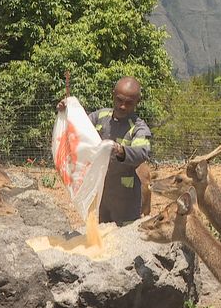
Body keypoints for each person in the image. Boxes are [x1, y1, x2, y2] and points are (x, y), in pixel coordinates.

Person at [57, 76, 152, 225]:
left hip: (126, 199)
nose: (122, 106)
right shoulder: (100, 116)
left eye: (129, 103)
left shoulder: (138, 127)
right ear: (113, 95)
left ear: (137, 102)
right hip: (101, 192)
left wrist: (121, 150)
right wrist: (67, 112)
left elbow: (142, 151)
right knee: (104, 234)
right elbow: (79, 126)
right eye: (119, 100)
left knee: (125, 238)